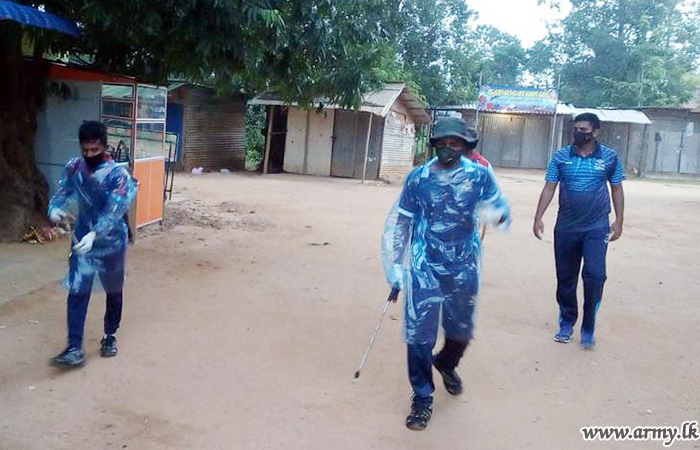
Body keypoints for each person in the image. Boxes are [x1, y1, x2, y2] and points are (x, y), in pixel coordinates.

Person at [382, 117, 511, 430]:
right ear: (434, 144)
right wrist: (396, 267)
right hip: (425, 263)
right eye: (442, 142)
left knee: (460, 331)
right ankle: (422, 397)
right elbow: (402, 222)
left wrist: (497, 215)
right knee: (418, 336)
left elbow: (498, 211)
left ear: (466, 147)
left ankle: (447, 362)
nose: (448, 148)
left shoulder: (479, 176)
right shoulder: (418, 178)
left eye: (455, 143)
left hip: (463, 265)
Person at [48, 121, 138, 368]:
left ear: (105, 147)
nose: (89, 155)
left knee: (114, 290)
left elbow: (115, 208)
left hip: (111, 242)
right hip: (82, 240)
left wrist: (96, 234)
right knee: (77, 290)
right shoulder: (74, 168)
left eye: (94, 150)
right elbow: (63, 192)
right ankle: (74, 347)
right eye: (85, 150)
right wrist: (55, 208)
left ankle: (110, 336)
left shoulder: (118, 175)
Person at [533, 113, 625, 350]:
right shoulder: (561, 156)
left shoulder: (609, 157)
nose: (577, 133)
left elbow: (616, 189)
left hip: (597, 227)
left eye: (583, 129)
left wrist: (619, 220)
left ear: (595, 132)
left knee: (595, 276)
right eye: (575, 129)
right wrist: (538, 216)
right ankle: (566, 323)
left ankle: (588, 327)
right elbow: (549, 187)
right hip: (566, 227)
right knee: (566, 278)